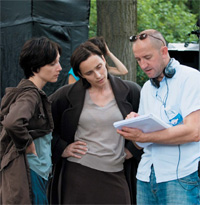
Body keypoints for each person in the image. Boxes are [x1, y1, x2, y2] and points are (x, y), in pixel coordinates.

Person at [48, 41, 142, 204]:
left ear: (104, 60)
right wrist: (61, 147)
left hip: (117, 172)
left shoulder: (131, 91)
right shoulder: (66, 95)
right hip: (78, 173)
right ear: (81, 74)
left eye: (99, 67)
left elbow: (147, 124)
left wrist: (132, 149)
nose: (98, 75)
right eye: (89, 72)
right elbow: (42, 124)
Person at [117, 29, 200, 205]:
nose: (143, 65)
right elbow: (139, 143)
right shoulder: (147, 88)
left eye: (147, 57)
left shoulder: (191, 78)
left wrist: (144, 136)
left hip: (180, 177)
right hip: (146, 176)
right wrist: (134, 127)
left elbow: (193, 132)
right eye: (138, 60)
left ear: (163, 51)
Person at [0, 36, 62, 204]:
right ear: (36, 67)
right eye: (53, 64)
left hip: (33, 171)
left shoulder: (26, 92)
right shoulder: (30, 94)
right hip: (30, 173)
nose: (60, 68)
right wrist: (27, 143)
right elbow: (13, 122)